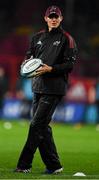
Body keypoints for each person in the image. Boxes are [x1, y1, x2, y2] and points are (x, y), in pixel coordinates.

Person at [15, 5, 77, 174]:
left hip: (54, 89)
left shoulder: (67, 39)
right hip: (37, 86)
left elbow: (70, 64)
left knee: (36, 125)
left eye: (56, 16)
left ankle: (24, 165)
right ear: (46, 18)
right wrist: (25, 64)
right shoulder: (37, 37)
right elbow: (29, 56)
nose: (54, 19)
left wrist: (51, 69)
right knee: (42, 127)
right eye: (51, 16)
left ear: (61, 18)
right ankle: (54, 166)